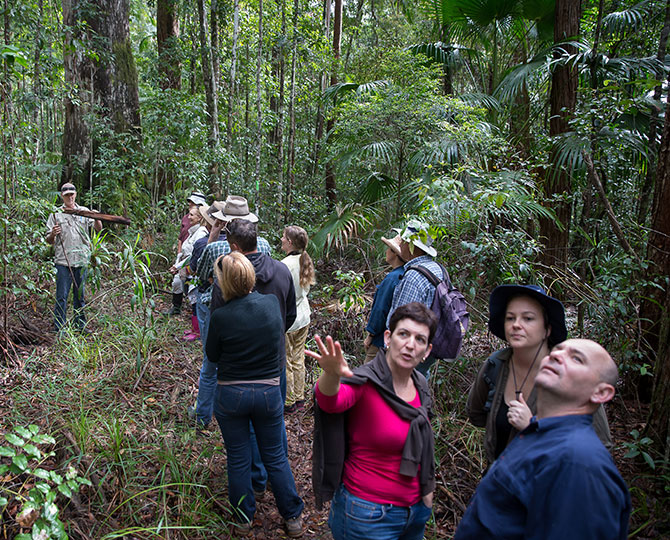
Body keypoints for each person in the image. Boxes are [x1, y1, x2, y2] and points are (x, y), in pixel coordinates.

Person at [454, 339, 631, 540]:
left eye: (576, 359)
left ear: (601, 392)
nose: (556, 355)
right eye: (557, 350)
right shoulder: (540, 436)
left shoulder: (578, 462)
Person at [308, 302, 437, 540]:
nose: (410, 344)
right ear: (388, 338)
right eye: (403, 334)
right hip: (367, 515)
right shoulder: (364, 382)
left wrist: (427, 494)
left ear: (427, 351)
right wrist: (331, 373)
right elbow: (329, 401)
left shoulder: (421, 384)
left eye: (420, 340)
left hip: (416, 512)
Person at [208, 252, 304, 537]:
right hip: (268, 392)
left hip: (231, 394)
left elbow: (212, 355)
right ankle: (293, 517)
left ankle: (242, 518)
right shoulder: (271, 304)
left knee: (238, 457)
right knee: (275, 456)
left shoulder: (221, 317)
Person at [466, 284, 611, 463]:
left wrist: (533, 427)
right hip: (499, 482)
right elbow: (476, 414)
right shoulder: (495, 365)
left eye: (528, 318)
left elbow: (599, 444)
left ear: (547, 330)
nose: (516, 325)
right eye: (510, 318)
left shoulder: (571, 374)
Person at [188, 195, 272, 429]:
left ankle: (203, 415)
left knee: (211, 361)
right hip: (253, 310)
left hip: (218, 309)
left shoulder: (215, 248)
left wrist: (213, 235)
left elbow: (202, 274)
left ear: (225, 222)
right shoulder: (263, 244)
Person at [386, 220, 443, 377]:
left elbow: (402, 318)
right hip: (426, 346)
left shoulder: (414, 276)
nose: (400, 244)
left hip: (408, 350)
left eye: (403, 240)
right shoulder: (437, 269)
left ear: (412, 246)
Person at [46, 183, 102, 333]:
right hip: (62, 262)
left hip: (81, 260)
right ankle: (59, 328)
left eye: (72, 194)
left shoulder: (84, 211)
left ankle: (80, 325)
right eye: (66, 195)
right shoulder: (56, 214)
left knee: (80, 296)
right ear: (62, 196)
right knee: (61, 296)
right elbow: (48, 240)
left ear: (75, 194)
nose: (70, 197)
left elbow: (98, 229)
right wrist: (53, 233)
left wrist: (96, 217)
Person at [280, 225, 316, 413]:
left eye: (284, 237)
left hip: (289, 318)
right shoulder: (304, 259)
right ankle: (300, 397)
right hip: (303, 316)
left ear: (291, 242)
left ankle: (289, 401)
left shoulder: (285, 265)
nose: (281, 240)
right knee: (298, 357)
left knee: (286, 359)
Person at [364, 234, 405, 363]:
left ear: (395, 254)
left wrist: (371, 335)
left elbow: (381, 309)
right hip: (395, 339)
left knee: (367, 374)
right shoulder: (404, 274)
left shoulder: (392, 278)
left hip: (381, 339)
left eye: (389, 249)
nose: (386, 251)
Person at [166, 205, 208, 318]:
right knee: (177, 283)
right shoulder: (192, 231)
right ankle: (177, 308)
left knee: (192, 291)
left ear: (199, 218)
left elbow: (193, 254)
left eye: (191, 215)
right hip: (184, 265)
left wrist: (178, 266)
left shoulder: (201, 232)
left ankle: (196, 319)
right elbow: (184, 251)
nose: (188, 217)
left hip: (192, 268)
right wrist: (176, 264)